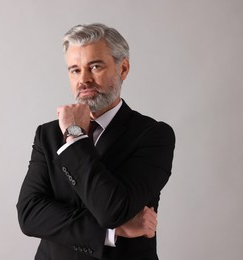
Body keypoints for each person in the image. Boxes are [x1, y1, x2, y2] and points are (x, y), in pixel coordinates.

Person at [17, 23, 175, 260]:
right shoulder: (47, 134)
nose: (84, 80)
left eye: (95, 66)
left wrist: (74, 136)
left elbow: (112, 209)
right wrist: (112, 231)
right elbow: (29, 215)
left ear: (123, 69)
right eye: (75, 70)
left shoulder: (153, 135)